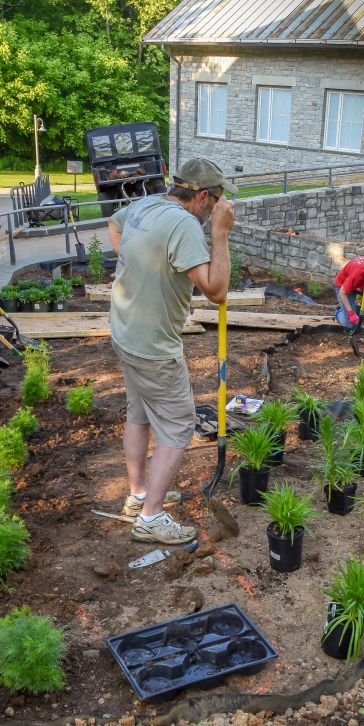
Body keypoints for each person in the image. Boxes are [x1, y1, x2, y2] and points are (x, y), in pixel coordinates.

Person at [107, 157, 233, 544]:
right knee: (178, 428)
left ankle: (138, 495)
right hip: (154, 348)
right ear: (203, 197)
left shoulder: (145, 204)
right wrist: (220, 233)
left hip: (125, 331)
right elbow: (217, 291)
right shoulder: (185, 225)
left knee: (139, 414)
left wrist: (137, 272)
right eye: (218, 200)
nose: (218, 206)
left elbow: (113, 223)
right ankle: (151, 517)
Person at [333, 253, 364, 327]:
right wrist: (351, 314)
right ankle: (338, 313)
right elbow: (342, 292)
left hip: (359, 287)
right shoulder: (356, 275)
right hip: (344, 288)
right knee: (350, 325)